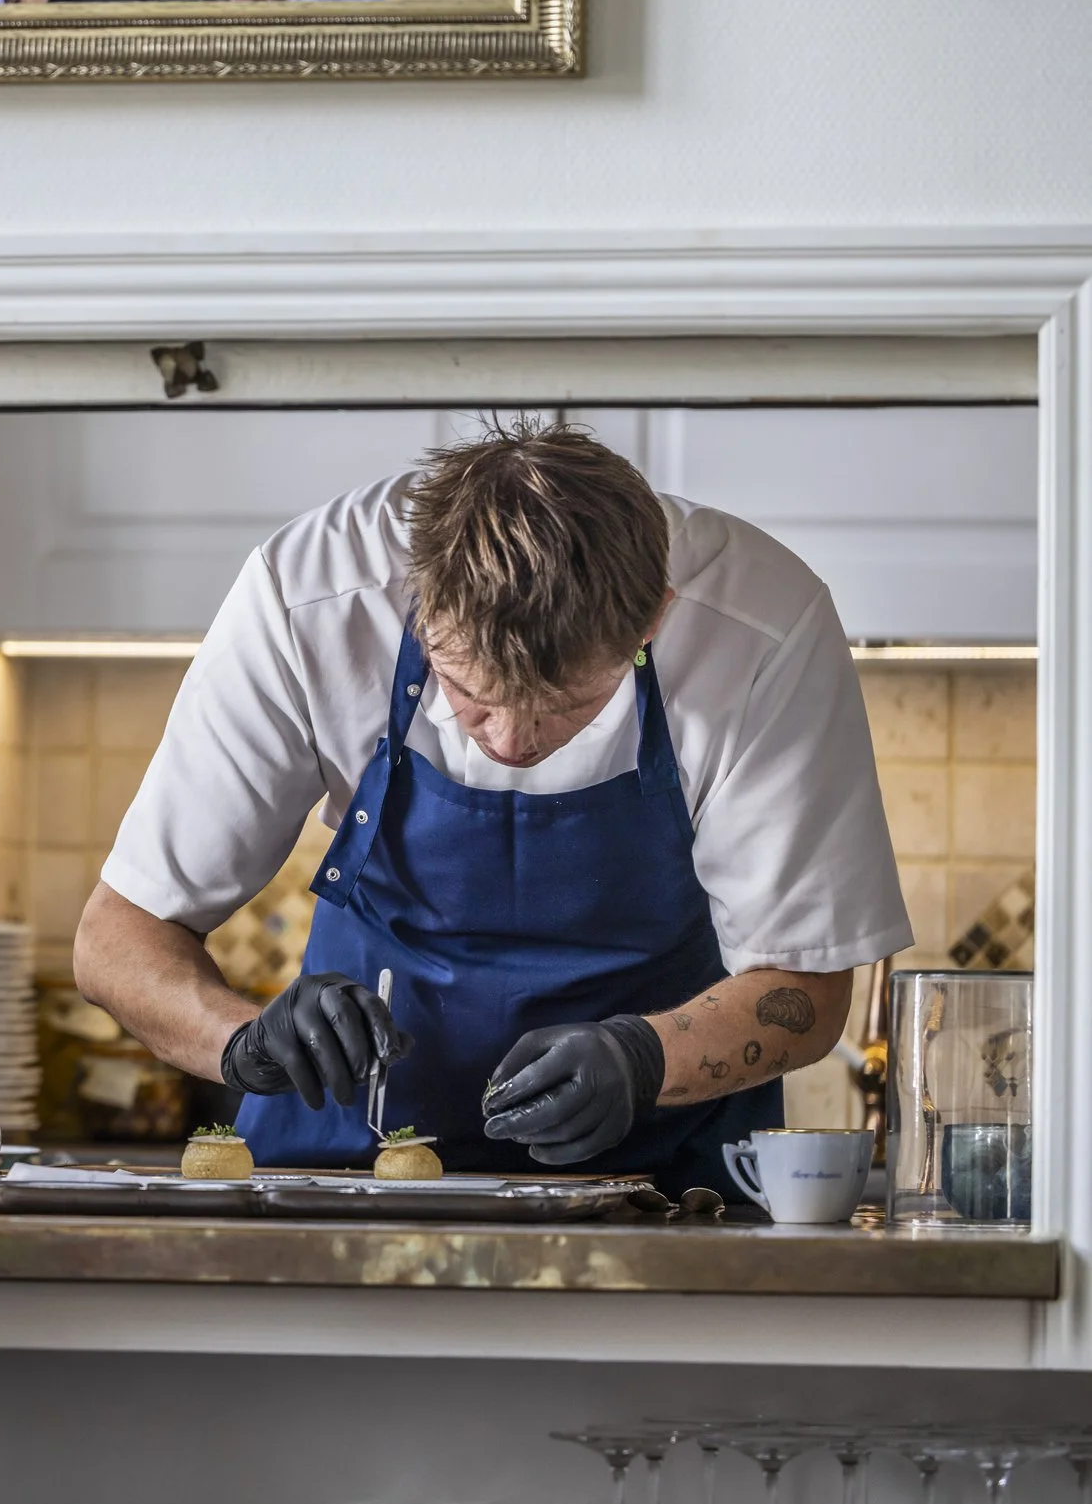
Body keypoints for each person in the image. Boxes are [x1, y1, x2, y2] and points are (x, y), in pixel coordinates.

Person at [73, 420, 909, 1193]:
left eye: (566, 705)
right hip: (337, 1183)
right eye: (471, 693)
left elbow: (807, 981)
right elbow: (118, 937)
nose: (509, 740)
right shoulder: (307, 602)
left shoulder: (761, 627)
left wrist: (643, 1059)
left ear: (654, 619)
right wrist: (241, 1040)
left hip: (655, 1190)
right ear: (417, 603)